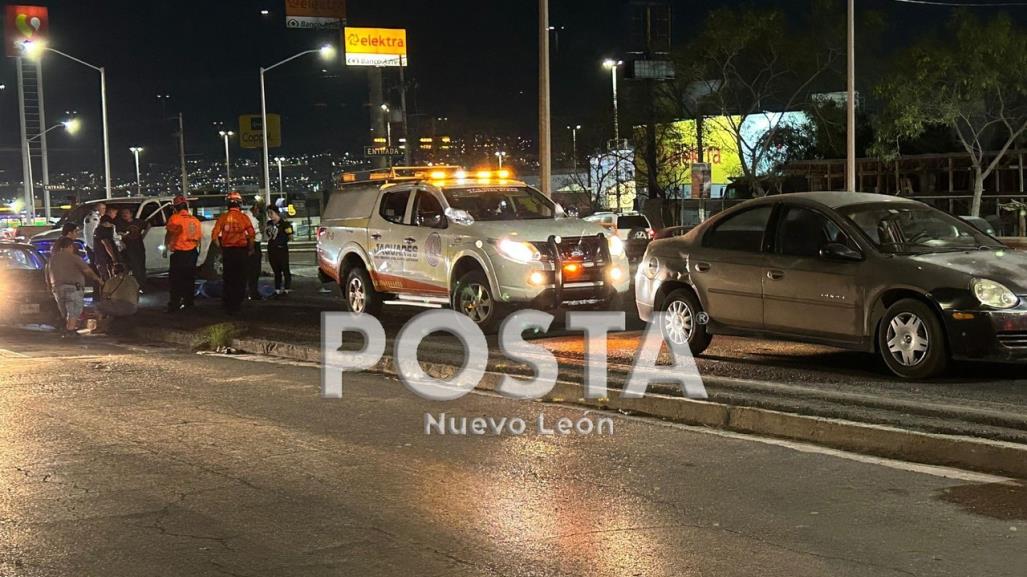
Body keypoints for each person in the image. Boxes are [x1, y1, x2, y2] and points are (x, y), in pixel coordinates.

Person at [47, 236, 102, 337]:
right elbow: (87, 271)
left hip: (57, 288)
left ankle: (66, 328)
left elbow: (47, 274)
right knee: (74, 310)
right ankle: (70, 330)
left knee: (64, 310)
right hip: (73, 287)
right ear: (70, 246)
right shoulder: (73, 257)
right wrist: (98, 279)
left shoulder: (52, 259)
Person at [211, 191, 255, 314]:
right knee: (240, 278)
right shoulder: (244, 217)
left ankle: (228, 303)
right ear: (240, 203)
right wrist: (251, 248)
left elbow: (214, 236)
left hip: (228, 252)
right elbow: (251, 235)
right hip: (241, 251)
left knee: (229, 278)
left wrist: (221, 248)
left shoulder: (223, 218)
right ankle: (238, 303)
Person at [165, 195, 202, 312]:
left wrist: (167, 247)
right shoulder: (195, 220)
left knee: (176, 280)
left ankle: (174, 305)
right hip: (192, 253)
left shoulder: (174, 219)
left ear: (175, 207)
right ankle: (189, 302)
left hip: (179, 253)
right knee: (189, 279)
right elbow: (199, 239)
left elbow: (169, 233)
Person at [93, 263, 139, 334]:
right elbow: (137, 293)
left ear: (113, 271)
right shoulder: (133, 279)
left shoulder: (110, 281)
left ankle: (101, 327)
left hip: (119, 307)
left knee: (98, 306)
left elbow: (104, 297)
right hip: (132, 308)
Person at [264, 205, 293, 296]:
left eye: (271, 213)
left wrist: (282, 242)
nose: (270, 215)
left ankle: (287, 288)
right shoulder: (269, 224)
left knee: (285, 269)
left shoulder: (285, 224)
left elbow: (290, 236)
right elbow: (267, 235)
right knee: (276, 271)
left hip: (281, 249)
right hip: (272, 249)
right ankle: (277, 288)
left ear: (276, 212)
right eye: (268, 213)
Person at [116, 207, 149, 288]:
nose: (124, 214)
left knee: (140, 268)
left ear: (131, 214)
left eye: (126, 212)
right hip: (127, 249)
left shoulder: (138, 222)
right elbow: (117, 233)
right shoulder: (120, 223)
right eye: (123, 213)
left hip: (139, 248)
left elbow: (148, 225)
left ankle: (141, 285)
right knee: (129, 268)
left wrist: (144, 234)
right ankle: (130, 286)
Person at [92, 206, 120, 282]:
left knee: (108, 279)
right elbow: (107, 244)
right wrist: (114, 258)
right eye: (109, 224)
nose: (111, 226)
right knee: (108, 280)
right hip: (104, 260)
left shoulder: (99, 230)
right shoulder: (103, 231)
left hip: (103, 260)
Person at [246, 203, 264, 300]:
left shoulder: (249, 217)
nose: (259, 213)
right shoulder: (250, 218)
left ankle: (252, 292)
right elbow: (251, 236)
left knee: (252, 271)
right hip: (252, 246)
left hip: (251, 245)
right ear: (255, 208)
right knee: (254, 271)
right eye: (259, 211)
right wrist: (251, 248)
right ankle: (253, 292)